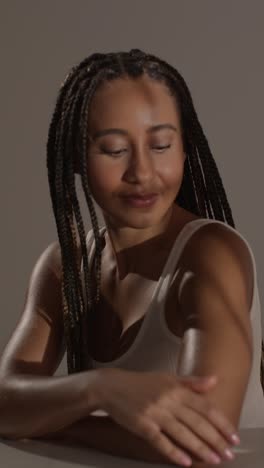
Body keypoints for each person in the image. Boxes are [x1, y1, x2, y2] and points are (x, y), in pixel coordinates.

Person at [0, 48, 263, 466]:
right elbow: (4, 400)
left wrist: (56, 418)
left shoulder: (212, 255)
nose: (142, 172)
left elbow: (204, 436)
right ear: (75, 158)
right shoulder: (63, 268)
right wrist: (100, 388)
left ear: (184, 149)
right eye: (114, 149)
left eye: (160, 145)